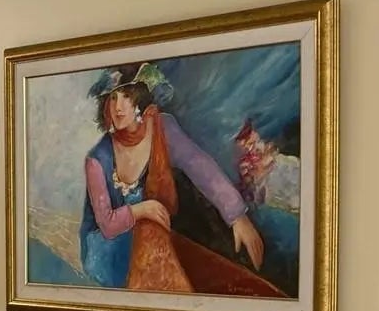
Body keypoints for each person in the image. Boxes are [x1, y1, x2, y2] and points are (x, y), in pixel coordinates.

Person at [79, 63, 275, 295]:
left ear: (140, 99)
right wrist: (142, 210)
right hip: (107, 249)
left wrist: (238, 217)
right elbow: (107, 225)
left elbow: (199, 165)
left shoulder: (162, 128)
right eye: (113, 98)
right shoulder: (97, 159)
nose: (118, 107)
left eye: (126, 96)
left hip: (151, 232)